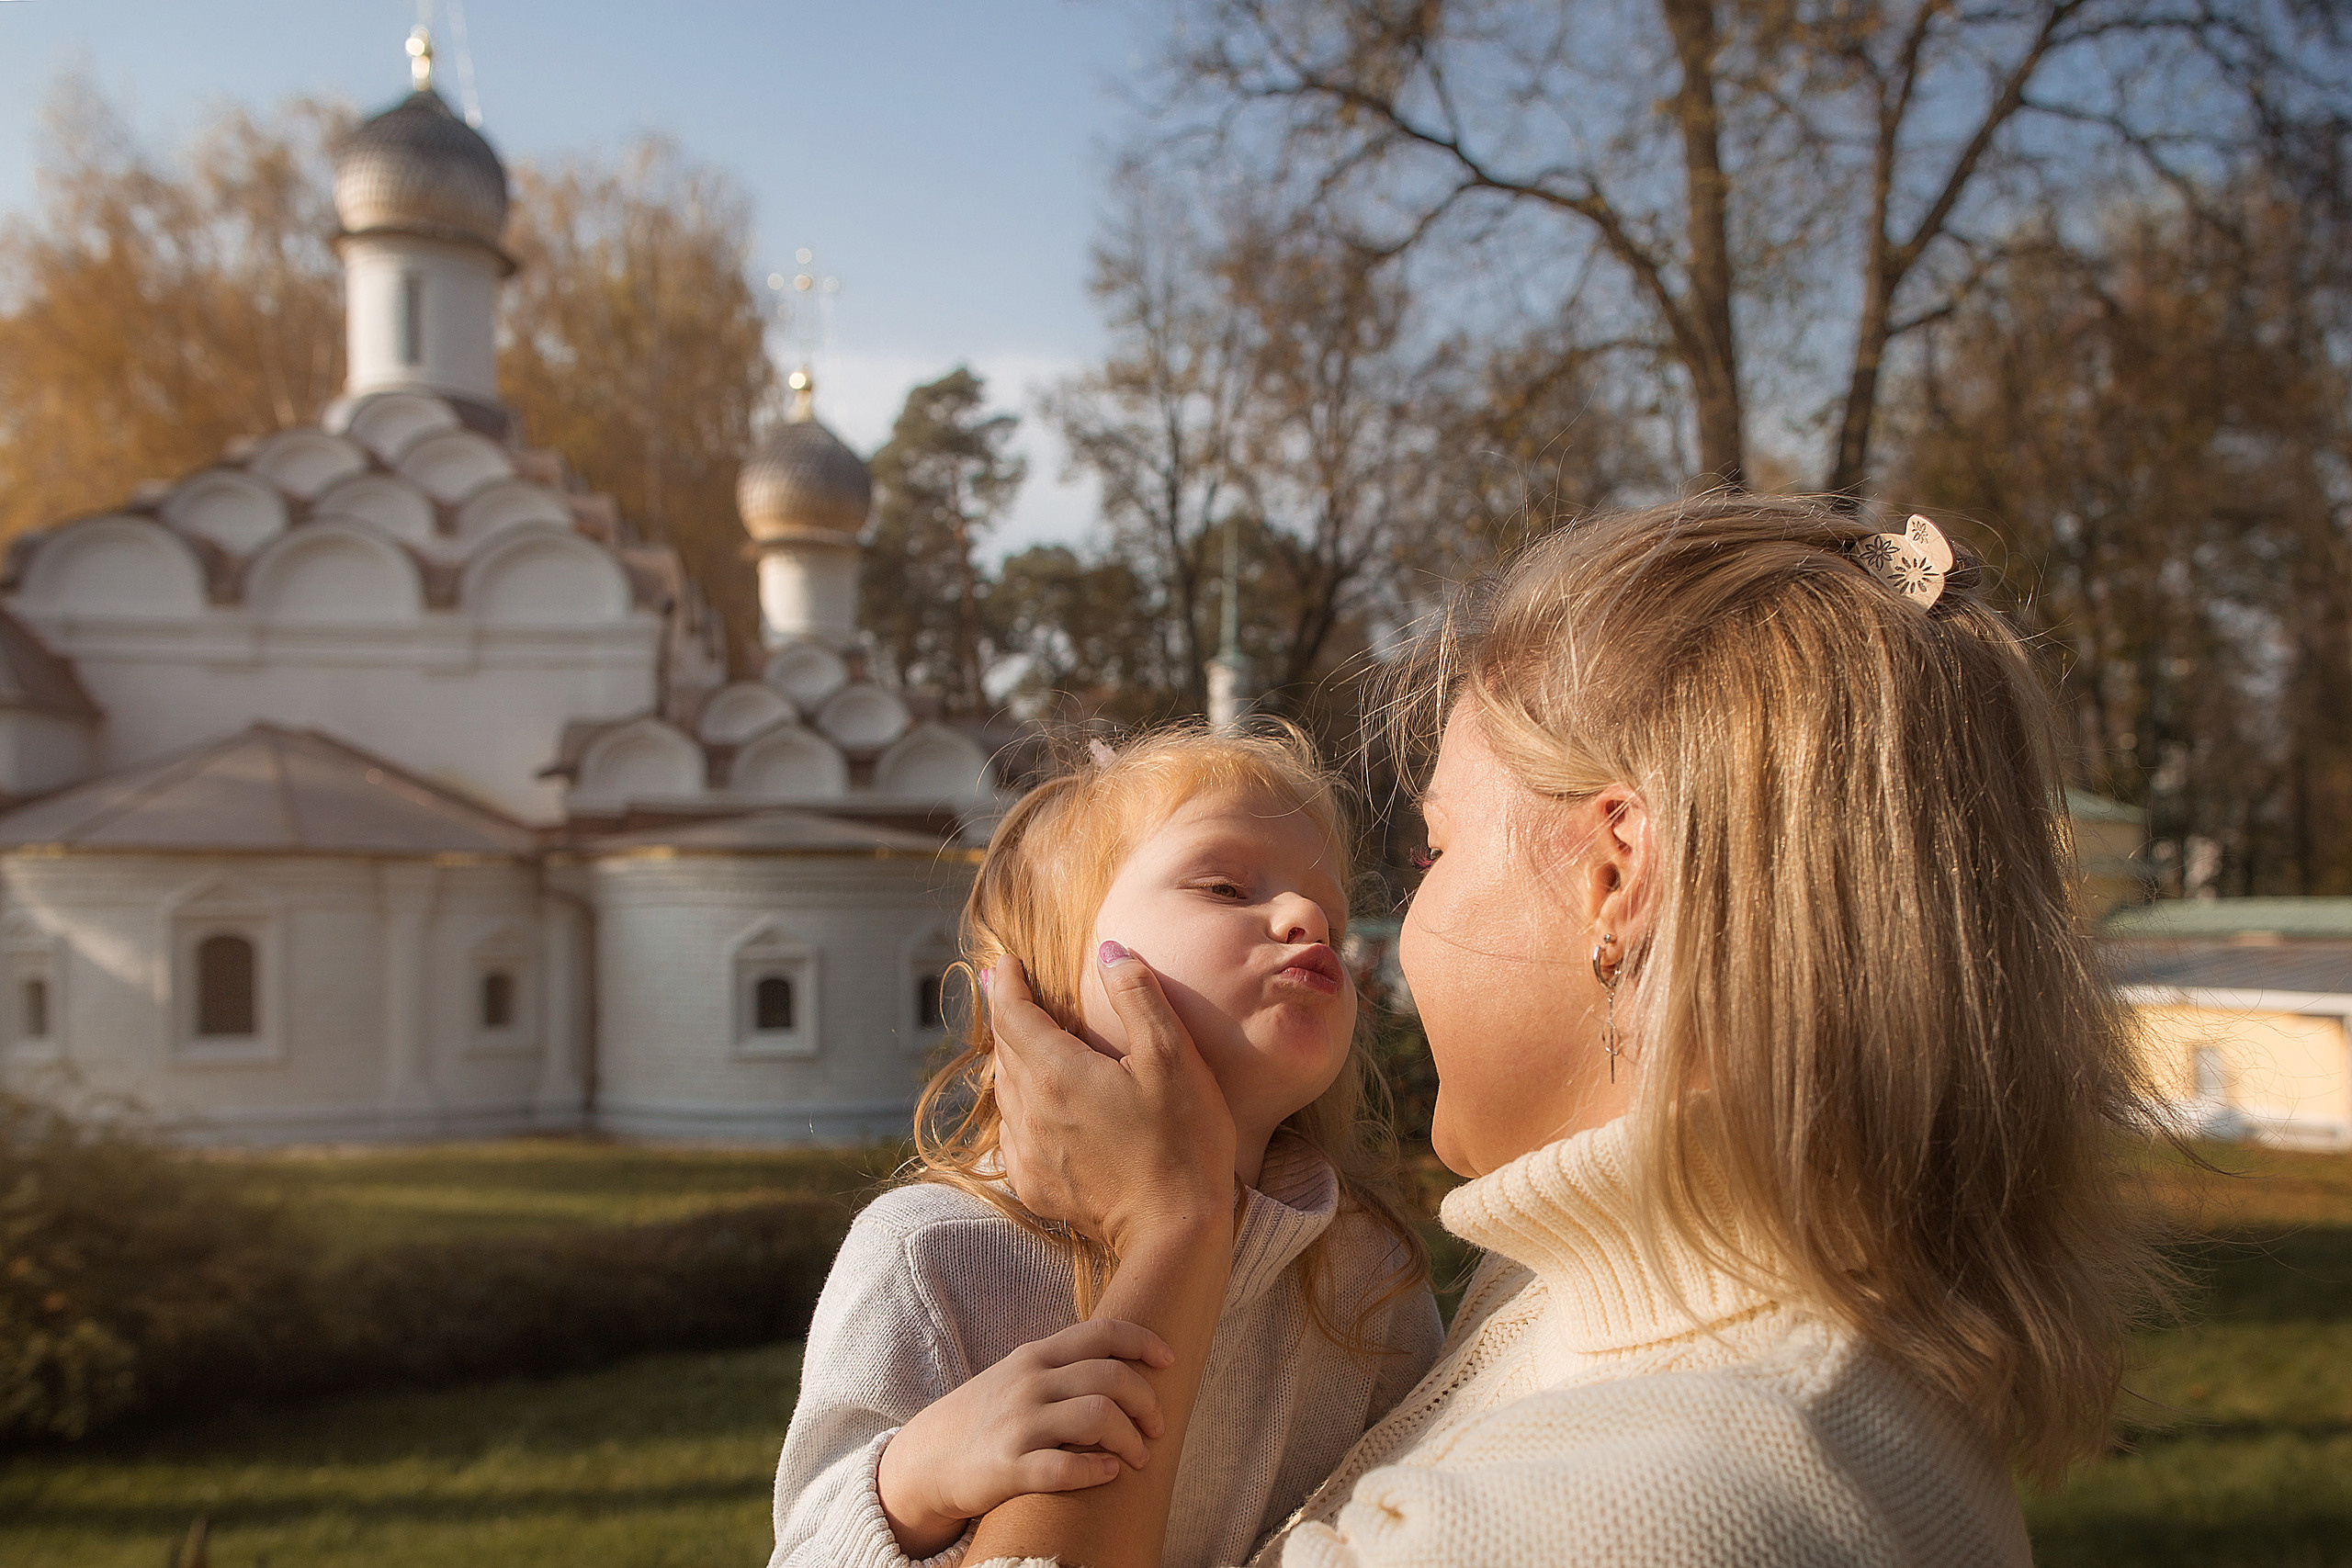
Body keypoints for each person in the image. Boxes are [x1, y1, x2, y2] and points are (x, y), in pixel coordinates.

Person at [965, 497, 2169, 1568]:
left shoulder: (1628, 1511)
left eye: (1433, 849)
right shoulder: (1611, 1313)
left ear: (1612, 872)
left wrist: (1169, 1228)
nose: (1395, 926)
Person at [769, 726, 1443, 1568]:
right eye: (1227, 885)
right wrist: (910, 1482)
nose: (1307, 917)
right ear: (1048, 975)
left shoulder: (1367, 1274)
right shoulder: (928, 1252)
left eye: (1333, 918)